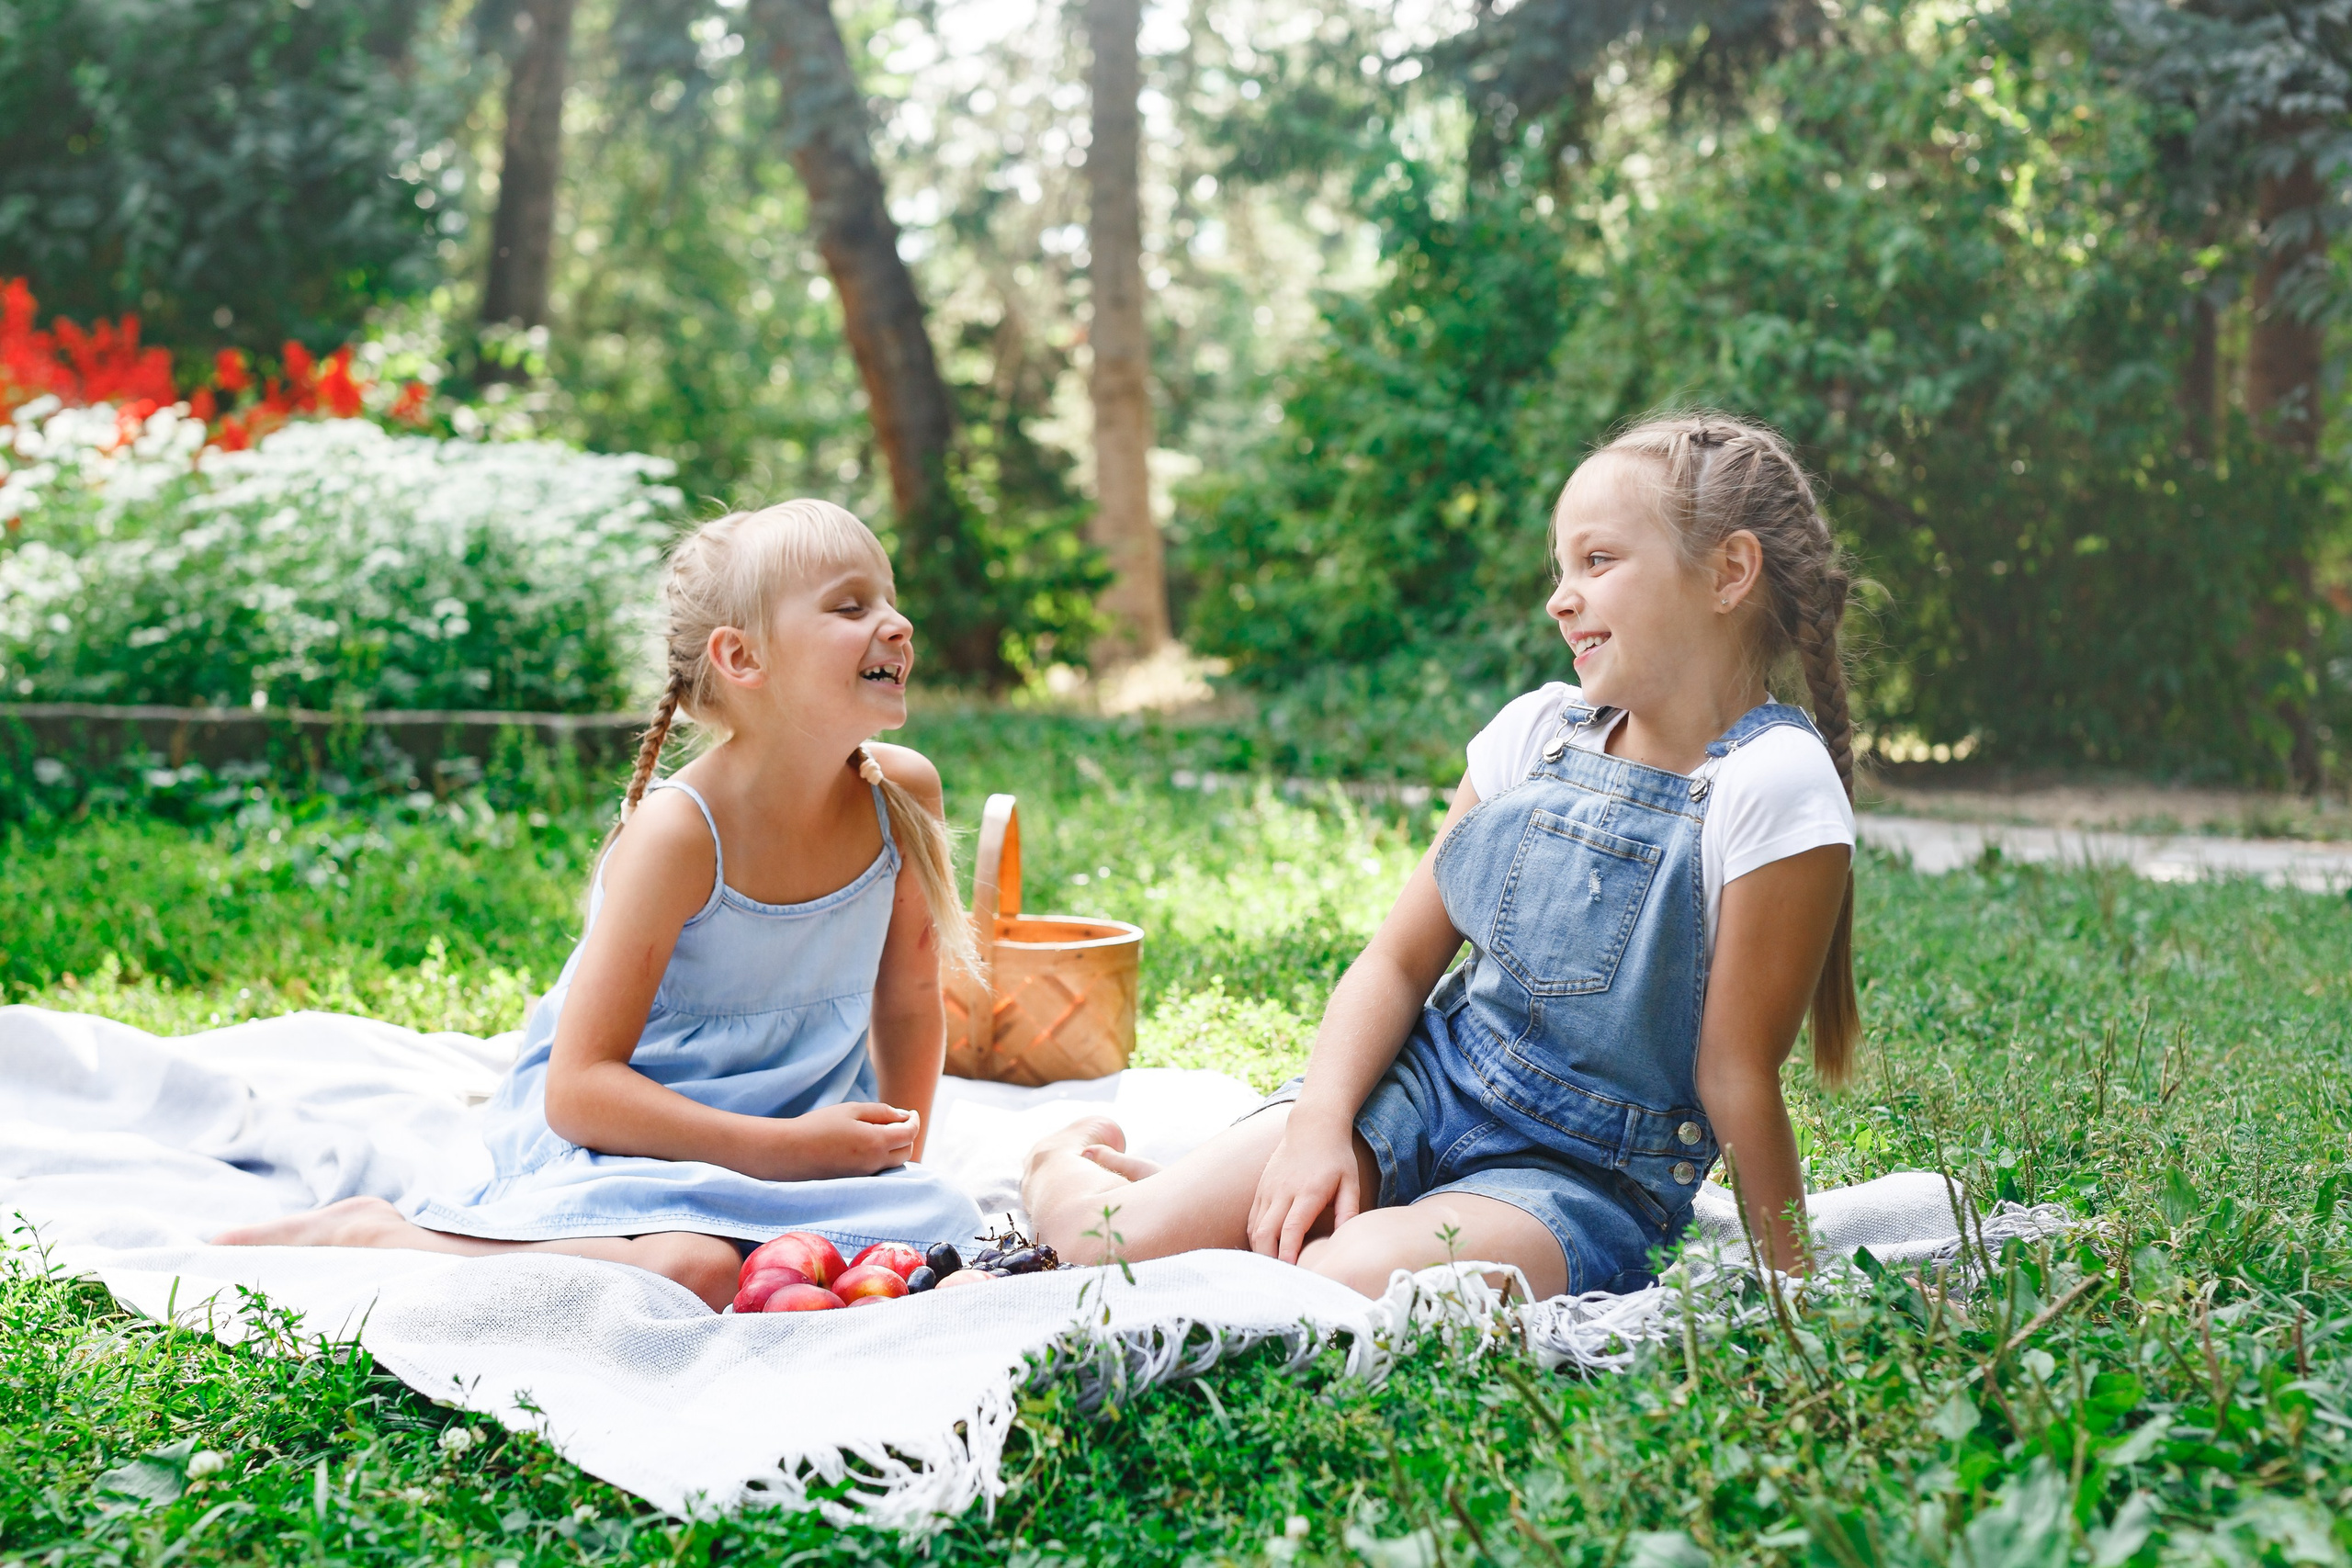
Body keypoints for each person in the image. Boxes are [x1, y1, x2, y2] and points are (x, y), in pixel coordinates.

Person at [1025, 412, 1860, 1299]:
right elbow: (1395, 961)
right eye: (1561, 568)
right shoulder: (1534, 734)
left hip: (1581, 1182)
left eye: (1600, 561)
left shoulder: (1772, 780)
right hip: (1423, 1088)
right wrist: (1318, 1123)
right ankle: (1058, 1161)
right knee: (1101, 1243)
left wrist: (1794, 1291)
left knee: (1338, 1278)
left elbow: (1733, 1070)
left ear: (1728, 572)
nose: (1561, 597)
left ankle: (1271, 1213)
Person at [217, 501, 984, 1309]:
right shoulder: (682, 835)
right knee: (695, 1270)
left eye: (890, 598)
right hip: (637, 1139)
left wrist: (895, 1158)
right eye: (851, 606)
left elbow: (905, 1001)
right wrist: (786, 1151)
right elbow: (579, 1092)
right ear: (742, 657)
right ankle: (383, 1234)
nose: (897, 624)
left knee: (944, 1222)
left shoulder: (901, 792)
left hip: (797, 1135)